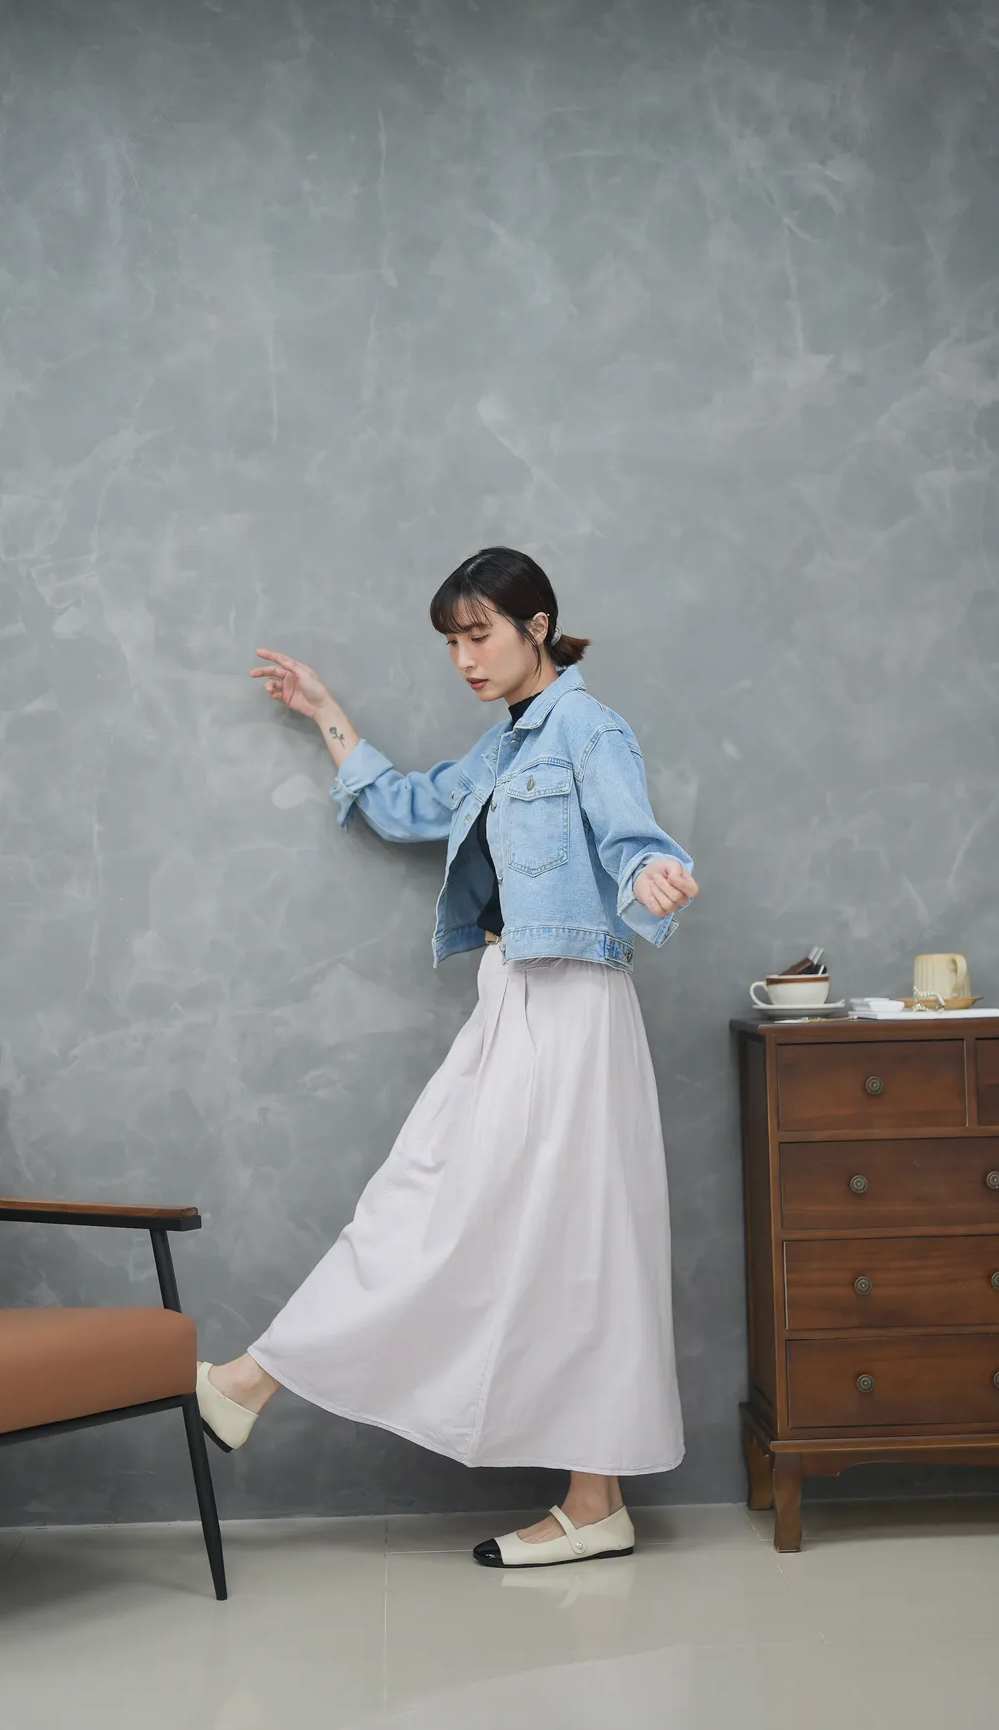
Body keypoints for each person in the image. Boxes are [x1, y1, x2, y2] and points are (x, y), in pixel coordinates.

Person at [197, 547, 698, 1568]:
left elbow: (632, 837)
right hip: (514, 995)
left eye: (481, 635)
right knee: (475, 1210)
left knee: (556, 1233)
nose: (465, 659)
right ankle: (590, 1501)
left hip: (572, 1002)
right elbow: (405, 805)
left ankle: (255, 1380)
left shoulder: (589, 729)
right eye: (452, 642)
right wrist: (323, 710)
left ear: (536, 626)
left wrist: (654, 872)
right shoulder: (501, 747)